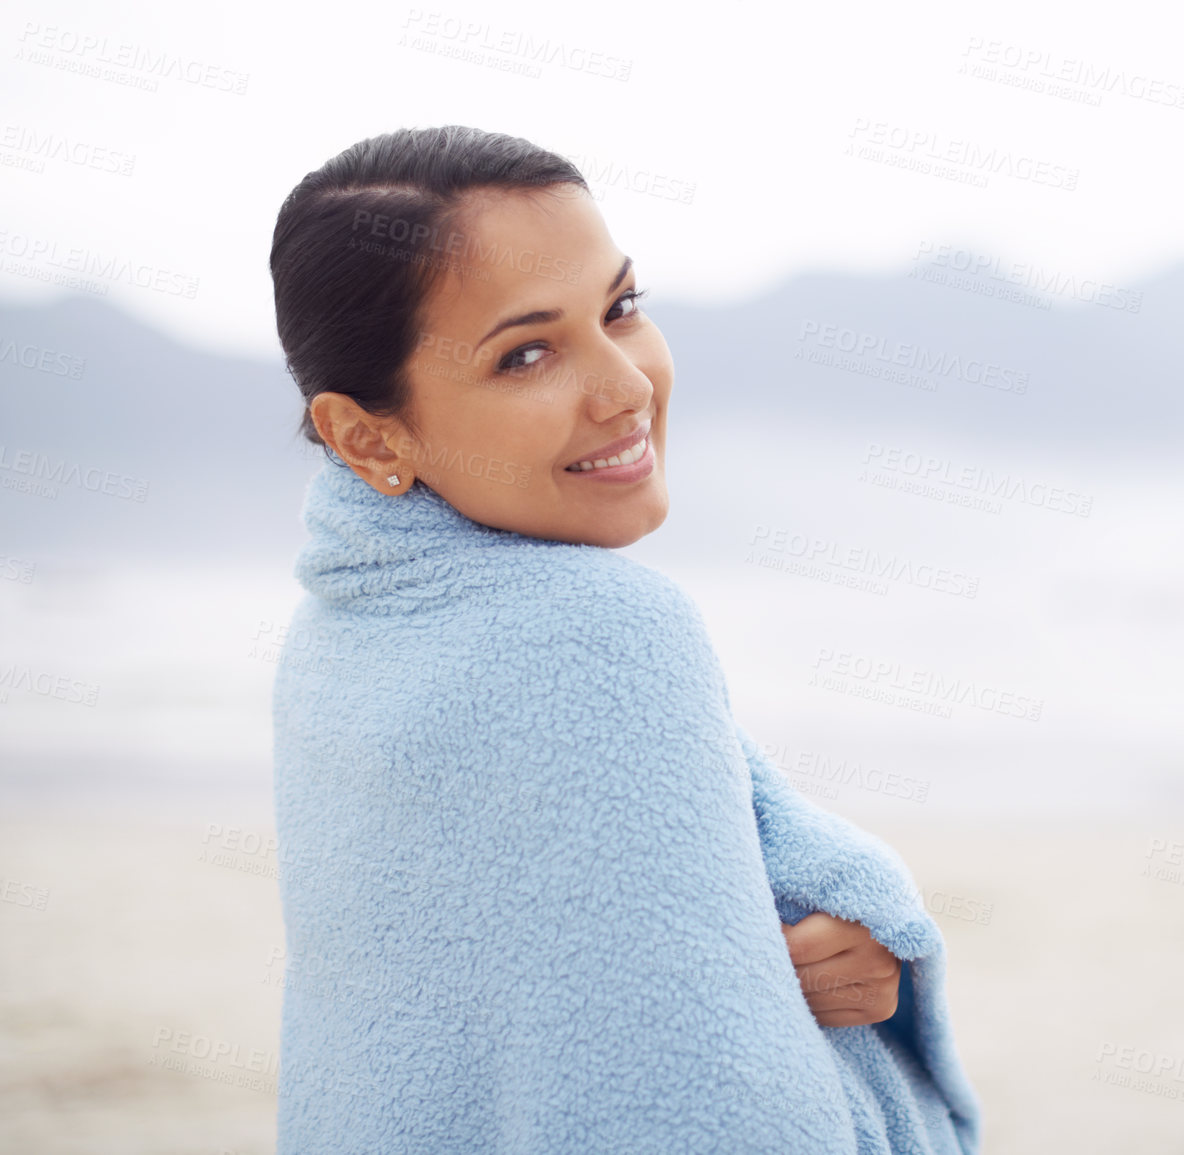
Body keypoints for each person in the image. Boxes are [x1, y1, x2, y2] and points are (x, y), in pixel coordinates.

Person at [267, 125, 980, 1154]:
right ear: (367, 436)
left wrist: (770, 947)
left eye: (621, 309)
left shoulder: (330, 647)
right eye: (526, 354)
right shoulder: (605, 635)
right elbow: (693, 1114)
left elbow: (520, 987)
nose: (625, 387)